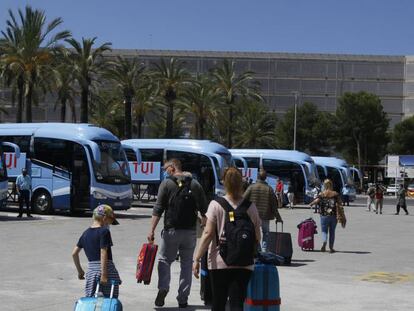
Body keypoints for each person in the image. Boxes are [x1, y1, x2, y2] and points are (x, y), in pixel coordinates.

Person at [192, 167, 261, 311]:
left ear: (224, 182)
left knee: (218, 303)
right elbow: (257, 236)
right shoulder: (251, 207)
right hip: (244, 262)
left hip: (219, 262)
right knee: (237, 304)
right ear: (242, 182)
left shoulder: (216, 205)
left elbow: (208, 233)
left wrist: (197, 258)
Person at [148, 159, 207, 309]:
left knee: (164, 260)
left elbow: (158, 209)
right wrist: (206, 229)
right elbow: (204, 209)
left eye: (165, 168)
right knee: (187, 265)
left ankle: (163, 287)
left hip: (171, 230)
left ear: (173, 168)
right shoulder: (195, 184)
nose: (164, 171)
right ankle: (183, 299)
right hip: (190, 232)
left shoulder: (166, 184)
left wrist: (151, 230)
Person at [72, 204, 121, 298]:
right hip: (107, 270)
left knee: (90, 301)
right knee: (110, 300)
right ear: (105, 218)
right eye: (110, 222)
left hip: (91, 272)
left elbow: (74, 253)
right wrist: (104, 274)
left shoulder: (85, 233)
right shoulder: (104, 232)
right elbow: (103, 252)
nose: (109, 225)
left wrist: (80, 271)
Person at [244, 169, 282, 252]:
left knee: (254, 232)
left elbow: (243, 200)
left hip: (252, 215)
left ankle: (257, 248)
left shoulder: (251, 187)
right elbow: (274, 205)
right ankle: (264, 250)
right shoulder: (269, 189)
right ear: (265, 178)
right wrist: (278, 217)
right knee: (266, 233)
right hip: (265, 215)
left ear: (257, 177)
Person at [309, 179, 346, 253]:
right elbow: (340, 203)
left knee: (324, 231)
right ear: (331, 185)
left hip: (324, 215)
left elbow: (316, 201)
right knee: (332, 232)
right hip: (334, 215)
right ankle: (331, 248)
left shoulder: (322, 194)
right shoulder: (335, 194)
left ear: (324, 185)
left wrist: (311, 204)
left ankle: (324, 241)